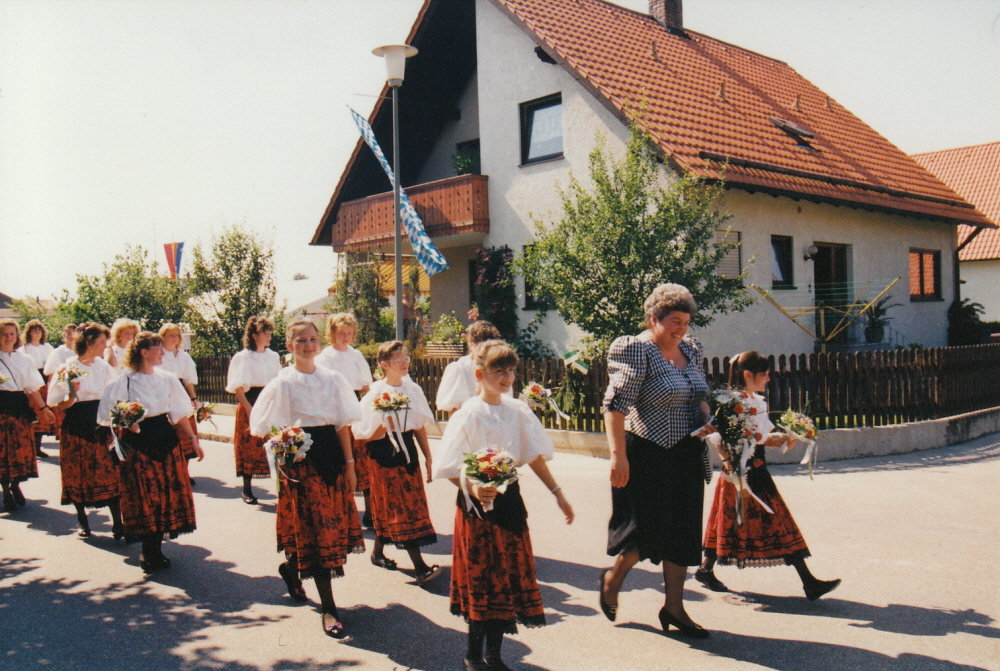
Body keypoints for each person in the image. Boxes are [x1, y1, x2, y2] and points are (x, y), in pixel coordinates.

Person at [435, 340, 573, 671]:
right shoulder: (468, 413)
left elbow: (532, 455)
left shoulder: (517, 410)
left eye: (511, 370)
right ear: (480, 374)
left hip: (509, 500)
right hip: (476, 505)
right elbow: (450, 465)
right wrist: (472, 485)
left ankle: (494, 656)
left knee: (506, 576)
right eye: (500, 371)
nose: (508, 377)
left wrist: (557, 491)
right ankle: (472, 655)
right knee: (482, 577)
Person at [599, 283, 713, 639]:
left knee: (682, 532)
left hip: (685, 453)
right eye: (674, 322)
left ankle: (674, 608)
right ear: (653, 320)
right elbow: (614, 407)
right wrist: (618, 457)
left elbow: (699, 397)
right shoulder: (637, 350)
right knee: (643, 532)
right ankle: (612, 580)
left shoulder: (691, 349)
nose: (681, 329)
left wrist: (711, 418)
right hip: (646, 452)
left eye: (685, 322)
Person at [250, 318, 364, 639]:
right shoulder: (283, 382)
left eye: (312, 339)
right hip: (300, 464)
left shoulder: (333, 379)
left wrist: (351, 464)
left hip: (331, 459)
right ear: (289, 346)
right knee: (313, 529)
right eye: (300, 340)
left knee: (327, 529)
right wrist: (285, 448)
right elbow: (266, 427)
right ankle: (329, 606)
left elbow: (342, 424)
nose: (308, 345)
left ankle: (291, 569)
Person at [696, 350, 841, 601]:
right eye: (764, 374)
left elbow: (760, 439)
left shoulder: (755, 402)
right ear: (749, 375)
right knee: (774, 521)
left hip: (756, 470)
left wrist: (786, 438)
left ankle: (704, 570)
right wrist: (731, 467)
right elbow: (719, 439)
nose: (768, 379)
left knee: (731, 521)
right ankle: (809, 582)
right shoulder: (733, 403)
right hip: (741, 474)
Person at [97, 331, 204, 571]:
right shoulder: (122, 380)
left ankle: (155, 548)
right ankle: (148, 549)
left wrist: (193, 440)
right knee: (146, 496)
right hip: (138, 443)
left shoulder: (167, 378)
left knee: (165, 495)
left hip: (165, 440)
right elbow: (107, 415)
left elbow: (179, 413)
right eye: (158, 348)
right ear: (144, 353)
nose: (163, 353)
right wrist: (127, 422)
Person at [352, 341, 439, 584]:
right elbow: (361, 433)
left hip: (407, 452)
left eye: (406, 359)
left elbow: (418, 425)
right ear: (384, 365)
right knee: (398, 507)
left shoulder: (412, 390)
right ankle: (420, 566)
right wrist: (382, 426)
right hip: (383, 454)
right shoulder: (374, 394)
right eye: (398, 360)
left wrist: (428, 456)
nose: (404, 364)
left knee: (405, 505)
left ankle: (378, 553)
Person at [47, 322, 123, 538]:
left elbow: (115, 396)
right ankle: (82, 519)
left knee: (110, 472)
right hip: (77, 423)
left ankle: (118, 522)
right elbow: (57, 403)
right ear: (88, 343)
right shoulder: (68, 367)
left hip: (101, 423)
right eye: (101, 343)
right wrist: (70, 396)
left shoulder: (104, 367)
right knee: (78, 471)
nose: (104, 347)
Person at [315, 313, 375, 527]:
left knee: (362, 459)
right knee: (342, 461)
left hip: (357, 409)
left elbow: (366, 383)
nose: (346, 337)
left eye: (349, 333)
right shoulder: (324, 357)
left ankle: (369, 512)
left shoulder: (356, 355)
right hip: (335, 410)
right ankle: (342, 511)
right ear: (332, 334)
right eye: (341, 333)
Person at [0, 320, 56, 511]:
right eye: (4, 334)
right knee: (2, 454)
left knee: (19, 451)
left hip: (19, 409)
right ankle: (5, 490)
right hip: (0, 409)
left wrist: (44, 410)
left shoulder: (25, 359)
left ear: (17, 336)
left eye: (11, 334)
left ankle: (15, 485)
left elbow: (32, 389)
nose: (8, 338)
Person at [226, 316, 281, 504]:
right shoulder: (242, 357)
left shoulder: (273, 356)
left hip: (269, 402)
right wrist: (250, 410)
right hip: (250, 401)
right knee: (248, 446)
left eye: (269, 333)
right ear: (255, 335)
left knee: (275, 444)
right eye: (265, 333)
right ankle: (247, 489)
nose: (269, 337)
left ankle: (281, 488)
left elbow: (277, 382)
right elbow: (238, 388)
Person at [435, 321, 509, 416]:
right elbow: (454, 410)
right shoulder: (459, 368)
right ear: (470, 342)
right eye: (480, 346)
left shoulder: (501, 369)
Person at [156, 324, 200, 475]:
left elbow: (188, 380)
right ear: (163, 337)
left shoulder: (184, 356)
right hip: (164, 394)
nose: (175, 338)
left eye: (177, 335)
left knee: (185, 433)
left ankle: (184, 472)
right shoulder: (159, 354)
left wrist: (193, 398)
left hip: (181, 393)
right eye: (171, 335)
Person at [21, 320, 55, 457]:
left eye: (39, 330)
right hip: (31, 381)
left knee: (42, 415)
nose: (37, 333)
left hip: (44, 381)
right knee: (31, 414)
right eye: (34, 331)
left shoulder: (47, 347)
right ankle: (28, 448)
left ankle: (37, 448)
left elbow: (52, 366)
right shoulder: (24, 348)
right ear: (29, 333)